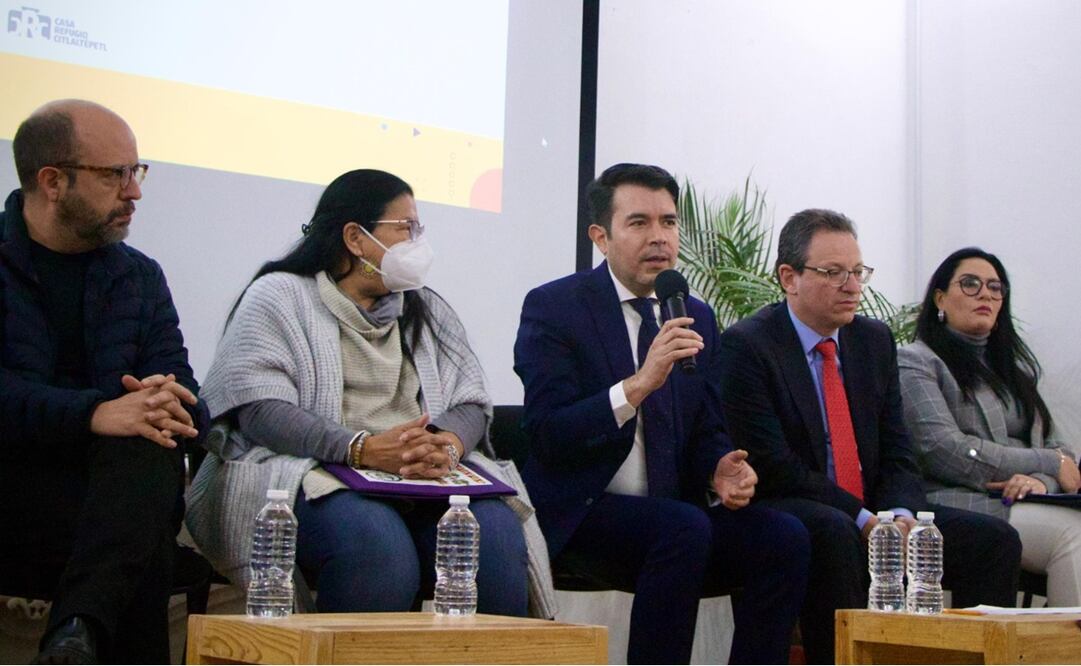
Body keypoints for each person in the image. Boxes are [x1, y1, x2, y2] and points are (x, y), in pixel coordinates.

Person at [185, 169, 542, 617]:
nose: (417, 243)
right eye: (405, 229)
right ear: (355, 238)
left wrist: (445, 445)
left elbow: (469, 401)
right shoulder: (278, 296)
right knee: (377, 549)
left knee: (493, 538)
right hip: (313, 470)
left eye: (419, 229)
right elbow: (260, 409)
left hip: (419, 474)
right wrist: (363, 450)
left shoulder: (426, 307)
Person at [513, 163, 809, 664]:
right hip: (584, 510)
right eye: (639, 223)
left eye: (669, 222)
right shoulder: (555, 307)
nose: (659, 237)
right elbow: (547, 433)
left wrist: (719, 468)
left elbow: (707, 426)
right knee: (681, 528)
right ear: (600, 237)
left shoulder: (695, 313)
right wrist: (636, 386)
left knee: (783, 538)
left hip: (672, 511)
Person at [716, 209, 1022, 664]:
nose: (853, 285)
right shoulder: (749, 345)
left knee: (994, 542)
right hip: (797, 502)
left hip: (874, 508)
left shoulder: (872, 341)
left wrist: (898, 513)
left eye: (858, 272)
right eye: (833, 272)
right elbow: (774, 463)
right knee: (834, 533)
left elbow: (899, 450)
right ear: (789, 277)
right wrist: (863, 519)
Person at [0, 100, 208, 664]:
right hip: (15, 491)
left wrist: (168, 405)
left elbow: (186, 393)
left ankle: (76, 633)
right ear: (52, 181)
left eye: (136, 172)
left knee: (149, 450)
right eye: (115, 174)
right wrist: (95, 413)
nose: (133, 191)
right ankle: (78, 630)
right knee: (140, 529)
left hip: (111, 495)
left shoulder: (138, 275)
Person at [899, 247, 1081, 606]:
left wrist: (1037, 482)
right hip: (957, 503)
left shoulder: (1017, 373)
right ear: (940, 298)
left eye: (995, 288)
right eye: (970, 284)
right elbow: (944, 450)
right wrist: (1046, 465)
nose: (985, 294)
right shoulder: (916, 361)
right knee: (1071, 535)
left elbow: (1062, 452)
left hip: (1024, 502)